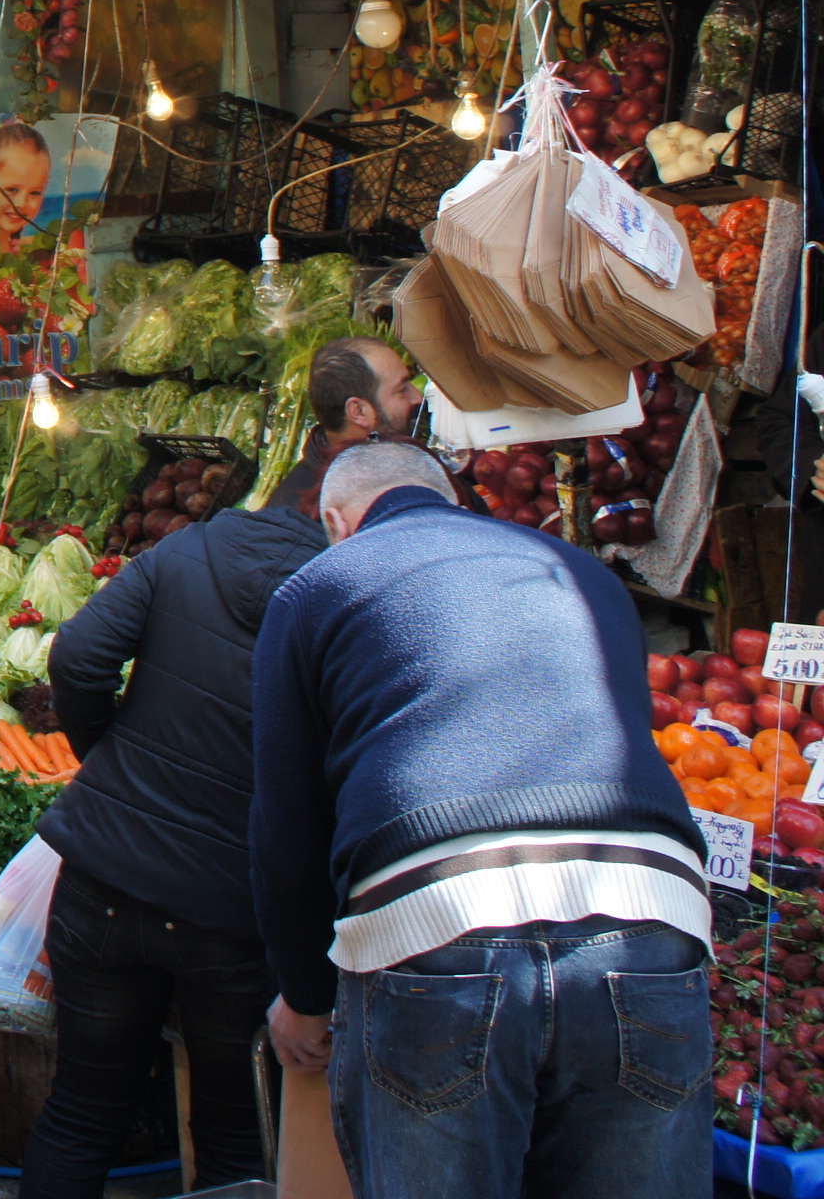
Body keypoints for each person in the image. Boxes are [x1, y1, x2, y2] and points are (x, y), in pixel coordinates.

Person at [249, 442, 708, 1199]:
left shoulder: (317, 586)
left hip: (438, 923)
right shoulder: (581, 571)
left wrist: (304, 996)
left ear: (336, 521)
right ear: (457, 502)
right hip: (647, 908)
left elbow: (287, 826)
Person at [20, 435, 333, 1197]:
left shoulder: (190, 549)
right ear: (341, 519)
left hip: (105, 876)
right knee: (235, 1135)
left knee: (83, 1109)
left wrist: (109, 759)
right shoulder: (345, 594)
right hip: (233, 907)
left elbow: (77, 656)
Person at [299, 337, 420, 472]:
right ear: (359, 412)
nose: (418, 397)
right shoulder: (326, 491)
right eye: (402, 390)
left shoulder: (396, 454)